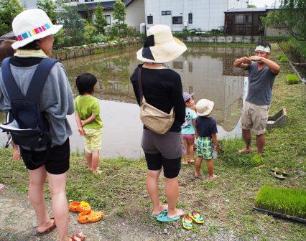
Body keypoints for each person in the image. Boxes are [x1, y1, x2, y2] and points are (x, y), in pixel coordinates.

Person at [0, 9, 85, 241]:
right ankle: (64, 237)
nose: (53, 39)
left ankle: (42, 223)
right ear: (39, 39)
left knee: (34, 183)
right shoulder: (52, 68)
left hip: (26, 137)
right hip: (55, 138)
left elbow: (5, 104)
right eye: (50, 35)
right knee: (57, 190)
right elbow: (68, 108)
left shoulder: (5, 68)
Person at [130, 25, 186, 222]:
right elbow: (180, 110)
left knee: (152, 172)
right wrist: (179, 125)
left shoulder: (137, 74)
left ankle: (156, 208)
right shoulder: (171, 77)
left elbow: (142, 103)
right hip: (168, 134)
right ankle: (171, 211)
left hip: (148, 132)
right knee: (171, 176)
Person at [233, 41, 280, 154]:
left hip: (262, 104)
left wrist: (262, 60)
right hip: (248, 101)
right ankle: (248, 148)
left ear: (267, 54)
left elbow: (277, 68)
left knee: (260, 132)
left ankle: (259, 153)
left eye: (262, 53)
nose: (258, 55)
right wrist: (243, 59)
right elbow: (236, 64)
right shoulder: (252, 66)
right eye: (257, 52)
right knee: (245, 128)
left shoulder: (270, 68)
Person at [74, 73, 103, 174]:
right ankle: (95, 170)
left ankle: (90, 167)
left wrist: (79, 126)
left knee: (88, 149)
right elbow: (94, 116)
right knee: (95, 150)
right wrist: (85, 121)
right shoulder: (94, 101)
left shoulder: (77, 99)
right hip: (95, 129)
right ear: (91, 87)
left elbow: (76, 115)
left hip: (85, 129)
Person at [0, 39, 21, 161]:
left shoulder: (1, 72)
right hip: (28, 109)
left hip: (11, 112)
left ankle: (16, 154)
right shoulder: (22, 70)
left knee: (14, 137)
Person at [194, 99, 219, 180]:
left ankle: (197, 173)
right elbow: (214, 135)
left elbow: (196, 130)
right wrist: (216, 145)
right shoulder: (212, 121)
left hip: (200, 140)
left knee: (199, 156)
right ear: (209, 110)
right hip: (207, 141)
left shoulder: (197, 119)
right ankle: (211, 175)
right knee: (209, 159)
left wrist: (196, 139)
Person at [181, 92, 197, 164]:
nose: (192, 100)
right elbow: (195, 122)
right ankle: (191, 159)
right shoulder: (192, 111)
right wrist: (196, 132)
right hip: (190, 132)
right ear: (187, 103)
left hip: (182, 133)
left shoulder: (179, 112)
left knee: (184, 147)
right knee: (191, 145)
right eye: (191, 99)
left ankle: (185, 160)